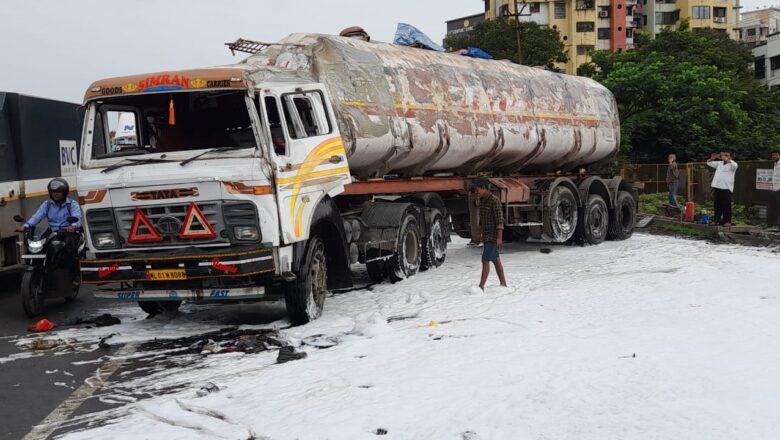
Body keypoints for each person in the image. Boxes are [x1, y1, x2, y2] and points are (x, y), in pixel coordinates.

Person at [17, 178, 82, 271]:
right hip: (52, 231)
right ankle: (42, 266)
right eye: (53, 191)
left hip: (67, 231)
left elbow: (77, 217)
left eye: (58, 191)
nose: (55, 194)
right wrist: (25, 226)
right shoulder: (47, 204)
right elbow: (37, 217)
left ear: (65, 192)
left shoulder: (72, 204)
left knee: (69, 250)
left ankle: (73, 273)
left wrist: (73, 225)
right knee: (38, 245)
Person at [472, 178, 507, 291]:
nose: (477, 193)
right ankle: (503, 284)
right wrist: (478, 233)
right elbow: (481, 220)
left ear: (484, 188)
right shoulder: (482, 201)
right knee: (496, 260)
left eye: (478, 190)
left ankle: (481, 286)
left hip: (493, 235)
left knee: (485, 259)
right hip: (486, 235)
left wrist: (499, 238)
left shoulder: (494, 201)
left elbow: (499, 221)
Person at [707, 151, 738, 227]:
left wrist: (727, 159)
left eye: (727, 155)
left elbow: (735, 166)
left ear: (730, 157)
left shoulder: (733, 164)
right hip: (717, 186)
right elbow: (709, 163)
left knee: (726, 205)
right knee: (717, 205)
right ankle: (716, 220)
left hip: (726, 187)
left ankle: (727, 221)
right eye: (723, 155)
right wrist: (712, 158)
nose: (724, 156)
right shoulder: (719, 163)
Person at [769, 149, 780, 232]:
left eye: (776, 155)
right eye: (773, 155)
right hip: (775, 188)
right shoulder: (775, 164)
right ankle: (776, 225)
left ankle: (777, 225)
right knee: (776, 207)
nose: (774, 156)